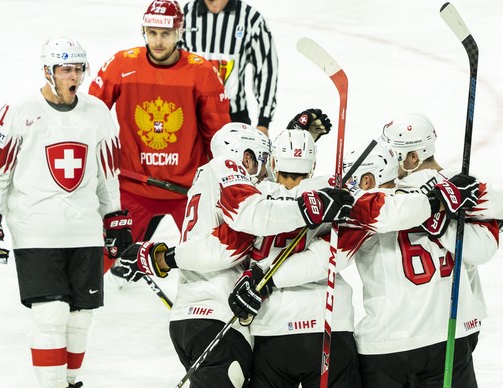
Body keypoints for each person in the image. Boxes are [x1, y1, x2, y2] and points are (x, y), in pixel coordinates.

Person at [117, 122, 354, 387]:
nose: (264, 173)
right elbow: (242, 225)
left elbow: (279, 190)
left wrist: (162, 257)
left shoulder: (205, 179)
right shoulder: (227, 168)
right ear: (246, 157)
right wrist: (306, 208)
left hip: (186, 319)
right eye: (261, 160)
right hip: (219, 316)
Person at [0, 37, 132, 388]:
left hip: (84, 229)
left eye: (78, 68)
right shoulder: (19, 111)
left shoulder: (98, 113)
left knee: (80, 318)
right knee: (50, 314)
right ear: (48, 71)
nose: (73, 76)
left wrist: (114, 217)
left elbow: (107, 174)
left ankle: (70, 381)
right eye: (65, 69)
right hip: (36, 229)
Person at [345, 114, 503, 388]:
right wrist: (448, 210)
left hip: (389, 338)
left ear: (412, 158)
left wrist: (440, 222)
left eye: (393, 152)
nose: (386, 158)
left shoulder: (382, 195)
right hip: (452, 333)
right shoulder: (458, 187)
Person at [89, 0, 231, 273]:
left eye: (165, 34)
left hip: (189, 191)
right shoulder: (120, 65)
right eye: (152, 32)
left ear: (180, 32)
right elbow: (89, 116)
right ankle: (77, 307)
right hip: (133, 186)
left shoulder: (201, 72)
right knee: (98, 260)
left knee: (211, 261)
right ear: (144, 31)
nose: (158, 41)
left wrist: (224, 180)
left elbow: (219, 134)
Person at [227, 129, 362, 387]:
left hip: (273, 327)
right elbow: (340, 250)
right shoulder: (331, 192)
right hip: (328, 322)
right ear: (312, 167)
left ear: (274, 162)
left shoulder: (254, 196)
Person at [180, 0, 279, 136]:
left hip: (234, 118)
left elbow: (266, 69)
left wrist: (263, 122)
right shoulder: (184, 16)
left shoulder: (251, 19)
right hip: (190, 116)